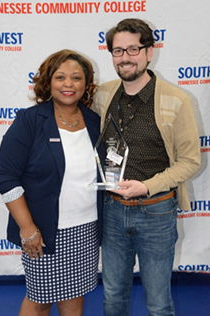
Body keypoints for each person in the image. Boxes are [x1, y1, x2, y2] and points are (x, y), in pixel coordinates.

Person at [92, 18, 200, 316]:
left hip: (156, 211)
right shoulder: (103, 94)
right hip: (112, 210)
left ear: (149, 52)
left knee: (158, 303)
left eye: (132, 49)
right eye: (117, 51)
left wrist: (147, 185)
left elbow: (191, 161)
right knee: (112, 298)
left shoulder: (177, 100)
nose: (125, 57)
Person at [0, 49, 104, 316]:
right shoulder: (29, 121)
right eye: (60, 77)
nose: (69, 84)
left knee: (74, 295)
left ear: (86, 84)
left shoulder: (94, 122)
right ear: (48, 82)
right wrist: (28, 229)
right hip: (43, 232)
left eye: (77, 78)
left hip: (86, 229)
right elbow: (7, 178)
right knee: (40, 300)